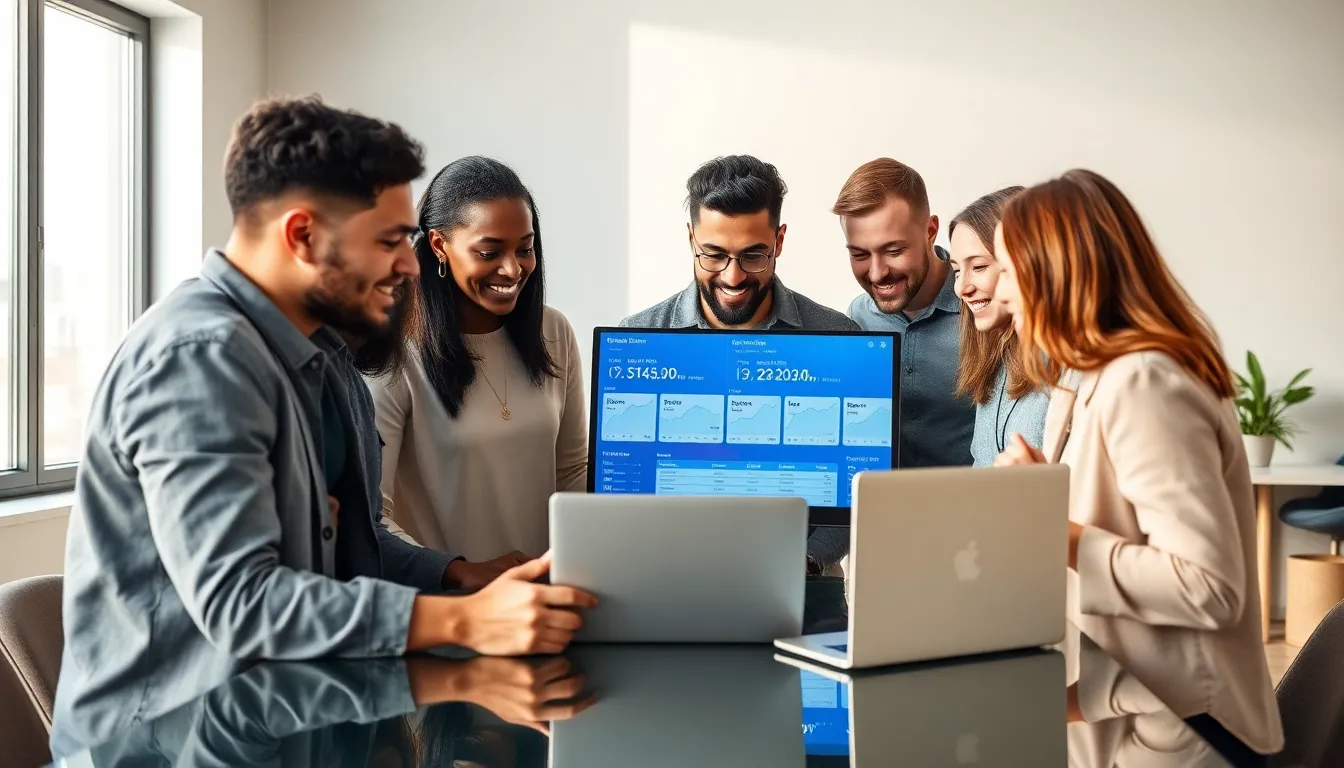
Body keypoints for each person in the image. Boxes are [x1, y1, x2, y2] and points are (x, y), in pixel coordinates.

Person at [50, 97, 596, 756]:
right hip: (169, 747)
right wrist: (464, 619)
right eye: (391, 241)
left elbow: (357, 546)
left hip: (286, 726)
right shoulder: (200, 358)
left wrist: (457, 577)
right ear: (303, 234)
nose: (409, 265)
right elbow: (244, 604)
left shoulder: (326, 358)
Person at [992, 169, 1283, 759]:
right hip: (1134, 696)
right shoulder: (1090, 377)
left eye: (1006, 270)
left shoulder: (1145, 381)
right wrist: (1043, 493)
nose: (999, 292)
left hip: (1184, 728)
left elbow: (1208, 587)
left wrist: (1046, 522)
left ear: (1053, 271)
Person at [620, 154, 857, 577]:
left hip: (805, 581)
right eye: (712, 255)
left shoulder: (841, 338)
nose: (732, 278)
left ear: (779, 241)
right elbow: (619, 492)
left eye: (753, 256)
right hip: (665, 576)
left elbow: (858, 494)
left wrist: (805, 561)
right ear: (690, 238)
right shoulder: (639, 337)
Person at [363, 157, 586, 578]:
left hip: (544, 601)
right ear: (438, 245)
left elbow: (572, 472)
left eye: (525, 248)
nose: (512, 268)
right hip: (448, 611)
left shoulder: (554, 331)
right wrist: (459, 573)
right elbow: (374, 514)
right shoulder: (392, 349)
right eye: (489, 251)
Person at [835, 158, 974, 468]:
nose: (876, 274)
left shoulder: (981, 310)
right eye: (859, 254)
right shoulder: (857, 317)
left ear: (931, 231)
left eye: (893, 251)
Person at [946, 186, 1050, 467]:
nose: (961, 288)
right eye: (957, 271)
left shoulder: (1071, 370)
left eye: (978, 267)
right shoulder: (993, 362)